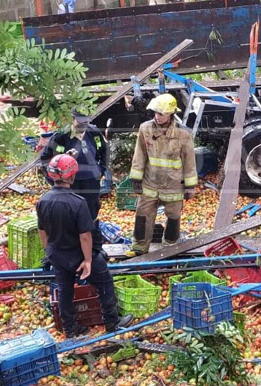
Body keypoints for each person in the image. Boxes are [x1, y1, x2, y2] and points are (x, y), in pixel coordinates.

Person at [37, 154, 132, 337]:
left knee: (65, 290)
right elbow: (85, 236)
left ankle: (70, 329)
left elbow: (42, 231)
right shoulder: (77, 202)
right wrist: (88, 261)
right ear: (71, 176)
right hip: (78, 255)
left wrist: (49, 251)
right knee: (104, 282)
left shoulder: (43, 201)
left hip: (57, 254)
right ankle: (112, 322)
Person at [125, 94, 198, 257]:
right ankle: (139, 248)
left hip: (174, 184)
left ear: (171, 113)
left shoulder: (183, 134)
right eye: (155, 113)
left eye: (161, 113)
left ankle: (169, 249)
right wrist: (136, 179)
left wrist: (190, 186)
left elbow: (189, 161)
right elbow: (140, 154)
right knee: (143, 215)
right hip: (150, 182)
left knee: (173, 218)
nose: (157, 117)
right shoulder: (145, 129)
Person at [40, 109, 108, 228]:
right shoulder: (61, 136)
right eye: (80, 122)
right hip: (69, 183)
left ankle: (90, 234)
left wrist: (101, 170)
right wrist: (56, 181)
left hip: (91, 182)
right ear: (72, 119)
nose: (83, 125)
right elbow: (46, 159)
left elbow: (105, 152)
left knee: (90, 211)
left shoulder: (94, 133)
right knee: (69, 213)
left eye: (86, 122)